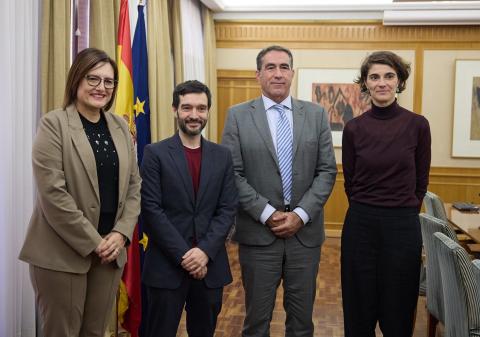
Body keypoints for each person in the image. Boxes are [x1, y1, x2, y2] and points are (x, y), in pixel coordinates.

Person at [19, 47, 141, 337]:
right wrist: (94, 241)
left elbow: (134, 185)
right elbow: (53, 194)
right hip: (61, 253)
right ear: (77, 80)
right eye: (93, 79)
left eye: (109, 81)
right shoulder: (54, 124)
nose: (101, 87)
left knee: (95, 332)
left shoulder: (121, 127)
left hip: (110, 252)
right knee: (62, 332)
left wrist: (121, 234)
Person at [222, 45, 337, 337]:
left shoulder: (316, 115)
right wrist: (266, 213)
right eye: (270, 67)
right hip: (259, 235)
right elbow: (232, 173)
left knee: (301, 324)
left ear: (292, 74)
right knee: (256, 323)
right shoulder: (237, 116)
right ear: (258, 74)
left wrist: (300, 214)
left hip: (304, 236)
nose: (277, 74)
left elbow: (326, 171)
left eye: (284, 67)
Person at [341, 51, 431, 337]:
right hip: (361, 225)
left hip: (402, 227)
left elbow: (421, 180)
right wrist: (370, 208)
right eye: (374, 77)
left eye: (389, 76)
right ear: (365, 83)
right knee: (359, 309)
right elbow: (351, 182)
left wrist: (402, 210)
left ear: (399, 81)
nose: (382, 83)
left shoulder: (418, 125)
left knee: (399, 311)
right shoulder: (354, 128)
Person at [141, 80, 238, 337]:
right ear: (175, 110)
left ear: (208, 111)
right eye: (187, 108)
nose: (194, 115)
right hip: (166, 267)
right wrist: (187, 256)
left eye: (201, 108)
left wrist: (204, 252)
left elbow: (228, 209)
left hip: (210, 268)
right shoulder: (155, 154)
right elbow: (151, 211)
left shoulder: (223, 156)